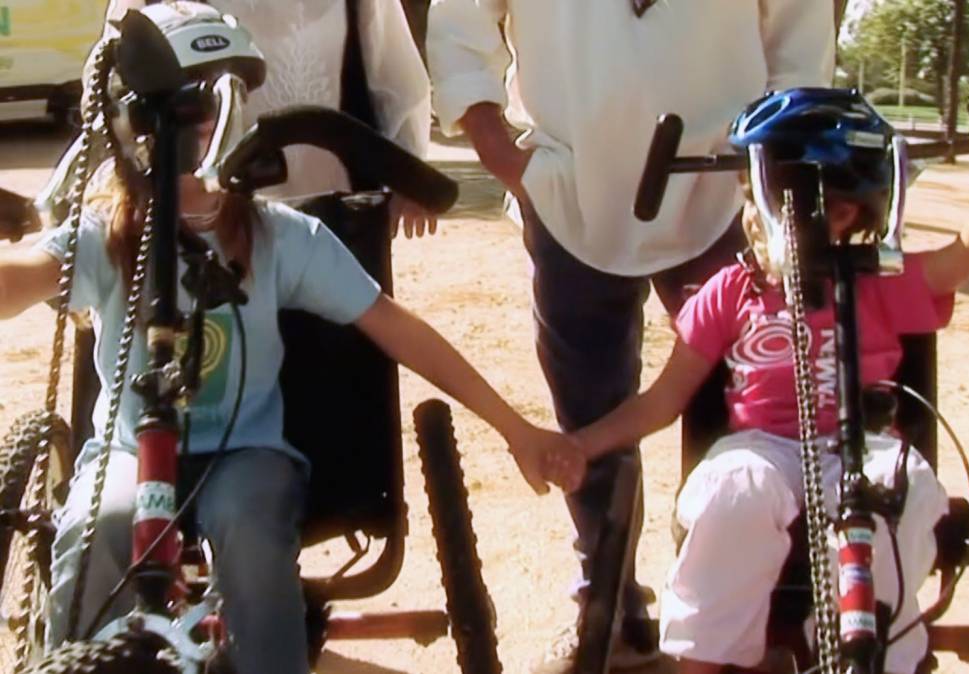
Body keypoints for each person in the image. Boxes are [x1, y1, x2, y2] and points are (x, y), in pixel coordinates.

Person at [2, 4, 579, 673]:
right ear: (133, 124)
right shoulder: (108, 238)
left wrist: (516, 428)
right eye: (178, 116)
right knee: (102, 520)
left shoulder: (280, 237)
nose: (195, 134)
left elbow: (393, 326)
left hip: (246, 451)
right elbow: (26, 275)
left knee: (250, 522)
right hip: (131, 449)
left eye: (207, 113)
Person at [426, 0, 836, 668]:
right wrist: (500, 151)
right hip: (570, 186)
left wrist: (779, 162)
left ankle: (747, 612)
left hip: (723, 184)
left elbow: (799, 28)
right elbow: (463, 19)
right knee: (591, 408)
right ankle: (610, 605)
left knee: (747, 411)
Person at [555, 89, 957, 674]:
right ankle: (704, 662)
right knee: (734, 490)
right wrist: (581, 444)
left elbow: (966, 253)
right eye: (760, 200)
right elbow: (663, 401)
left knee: (908, 488)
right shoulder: (732, 292)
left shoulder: (883, 282)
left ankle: (869, 653)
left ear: (852, 216)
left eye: (827, 210)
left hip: (861, 447)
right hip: (762, 447)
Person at [86, 0, 436, 238]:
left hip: (337, 215)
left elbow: (395, 74)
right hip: (208, 221)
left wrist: (407, 175)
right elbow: (113, 86)